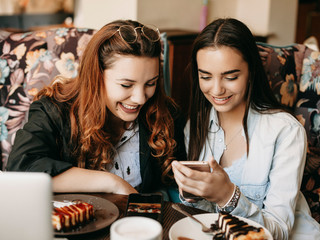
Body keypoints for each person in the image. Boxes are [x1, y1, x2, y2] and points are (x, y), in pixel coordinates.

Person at [171, 18, 320, 239]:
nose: (216, 89)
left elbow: (280, 231)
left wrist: (227, 196)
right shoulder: (196, 125)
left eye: (231, 77)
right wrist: (192, 192)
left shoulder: (285, 131)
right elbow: (208, 219)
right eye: (205, 76)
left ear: (251, 71)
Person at [6, 19, 186, 195]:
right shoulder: (53, 109)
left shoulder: (166, 112)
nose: (140, 98)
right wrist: (111, 182)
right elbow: (20, 168)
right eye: (126, 85)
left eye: (150, 83)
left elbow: (175, 185)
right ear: (96, 77)